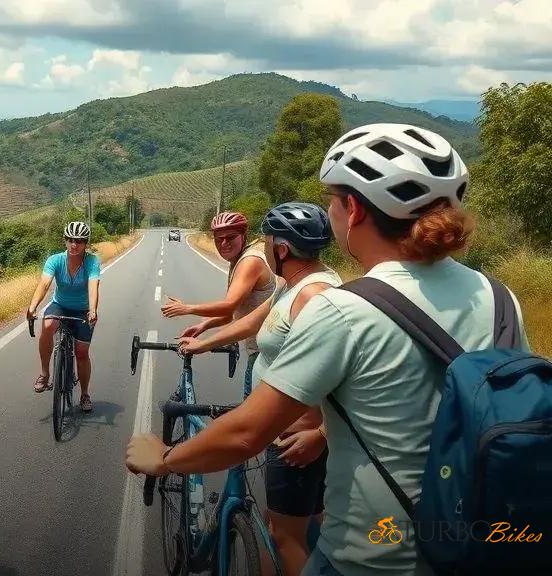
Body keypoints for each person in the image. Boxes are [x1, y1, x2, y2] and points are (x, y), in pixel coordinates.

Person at [127, 123, 530, 576]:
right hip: (479, 548)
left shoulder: (344, 309)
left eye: (331, 201)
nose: (330, 213)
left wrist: (163, 459)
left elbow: (246, 434)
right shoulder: (499, 297)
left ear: (353, 210)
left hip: (371, 558)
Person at [178, 202, 338, 576]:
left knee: (284, 536)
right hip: (292, 424)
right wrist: (205, 339)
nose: (261, 248)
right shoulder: (292, 283)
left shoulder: (313, 298)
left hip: (294, 433)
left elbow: (345, 374)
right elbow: (254, 318)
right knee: (298, 523)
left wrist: (320, 432)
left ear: (281, 248)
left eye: (266, 241)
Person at [161, 211, 277, 395]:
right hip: (260, 349)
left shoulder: (250, 261)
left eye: (230, 237)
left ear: (244, 236)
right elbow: (230, 314)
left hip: (267, 354)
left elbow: (229, 305)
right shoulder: (237, 260)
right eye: (218, 239)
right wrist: (204, 326)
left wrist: (186, 308)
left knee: (251, 420)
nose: (224, 243)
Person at [26, 221, 101, 412]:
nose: (74, 245)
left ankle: (84, 394)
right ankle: (44, 374)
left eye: (79, 241)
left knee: (82, 353)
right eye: (70, 240)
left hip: (83, 310)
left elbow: (93, 287)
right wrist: (33, 306)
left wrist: (92, 310)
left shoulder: (92, 261)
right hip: (60, 305)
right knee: (48, 325)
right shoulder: (55, 260)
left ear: (86, 243)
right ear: (65, 241)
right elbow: (44, 284)